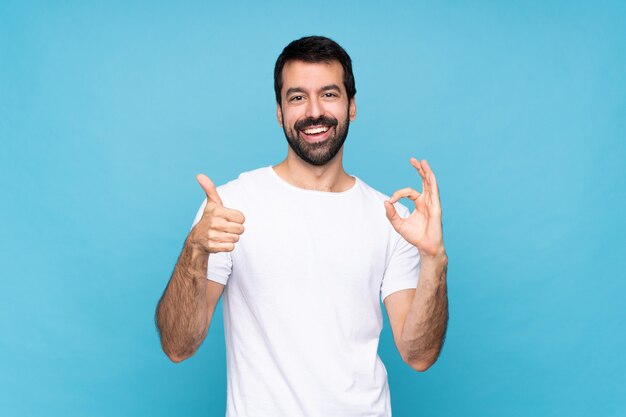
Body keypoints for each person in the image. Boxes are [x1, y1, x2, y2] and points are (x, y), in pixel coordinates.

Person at [155, 35, 448, 417]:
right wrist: (194, 252)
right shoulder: (228, 206)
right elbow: (178, 346)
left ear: (352, 106)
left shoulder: (390, 218)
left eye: (329, 94)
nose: (314, 111)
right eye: (297, 97)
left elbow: (418, 354)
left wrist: (434, 258)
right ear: (279, 111)